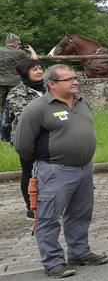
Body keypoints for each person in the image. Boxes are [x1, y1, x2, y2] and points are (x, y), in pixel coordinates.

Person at [13, 64, 106, 277]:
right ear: (52, 84)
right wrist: (47, 161)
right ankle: (53, 262)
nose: (75, 82)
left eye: (75, 78)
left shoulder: (82, 103)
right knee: (48, 217)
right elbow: (22, 145)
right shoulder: (36, 108)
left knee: (80, 214)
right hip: (55, 171)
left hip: (84, 169)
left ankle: (79, 253)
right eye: (69, 79)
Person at [6, 57, 47, 217]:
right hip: (26, 138)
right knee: (29, 171)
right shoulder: (17, 92)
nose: (39, 72)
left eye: (40, 68)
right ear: (25, 73)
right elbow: (25, 116)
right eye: (34, 69)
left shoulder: (48, 88)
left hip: (49, 137)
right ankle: (31, 207)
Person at [0, 33, 36, 140]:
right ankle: (7, 133)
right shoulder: (20, 53)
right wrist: (31, 50)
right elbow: (34, 61)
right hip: (14, 84)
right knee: (11, 109)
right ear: (16, 42)